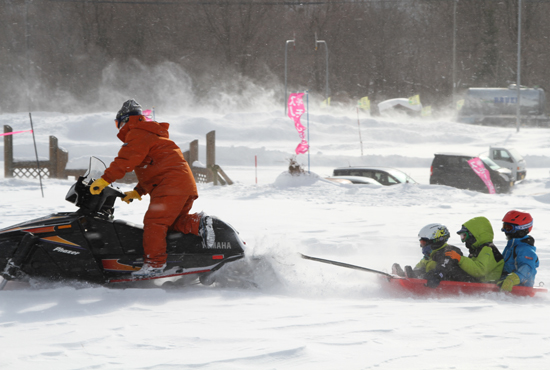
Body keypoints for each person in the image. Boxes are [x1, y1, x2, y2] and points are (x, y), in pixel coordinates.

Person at [89, 99, 214, 278]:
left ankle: (154, 265)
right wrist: (137, 191)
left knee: (154, 224)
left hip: (170, 186)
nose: (118, 128)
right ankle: (198, 223)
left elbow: (126, 160)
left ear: (124, 120)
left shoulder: (137, 133)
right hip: (181, 186)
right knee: (169, 225)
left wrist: (104, 180)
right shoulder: (151, 134)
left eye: (118, 123)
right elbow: (154, 170)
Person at [392, 223, 474, 288]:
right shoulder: (430, 255)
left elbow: (444, 268)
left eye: (423, 242)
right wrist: (411, 274)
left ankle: (423, 277)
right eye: (421, 242)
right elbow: (421, 266)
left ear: (435, 240)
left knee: (437, 268)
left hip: (465, 284)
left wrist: (436, 276)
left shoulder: (450, 251)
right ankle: (405, 275)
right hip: (439, 278)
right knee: (427, 265)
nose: (422, 245)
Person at [445, 216, 504, 283]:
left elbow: (479, 271)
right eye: (462, 236)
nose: (464, 240)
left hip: (486, 285)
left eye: (464, 235)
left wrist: (460, 259)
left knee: (453, 271)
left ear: (474, 235)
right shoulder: (477, 250)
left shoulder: (488, 249)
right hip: (478, 282)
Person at [497, 210, 539, 292]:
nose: (505, 231)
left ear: (521, 229)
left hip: (519, 289)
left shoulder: (525, 249)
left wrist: (512, 279)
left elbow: (528, 268)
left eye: (508, 228)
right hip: (504, 282)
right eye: (504, 227)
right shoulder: (511, 246)